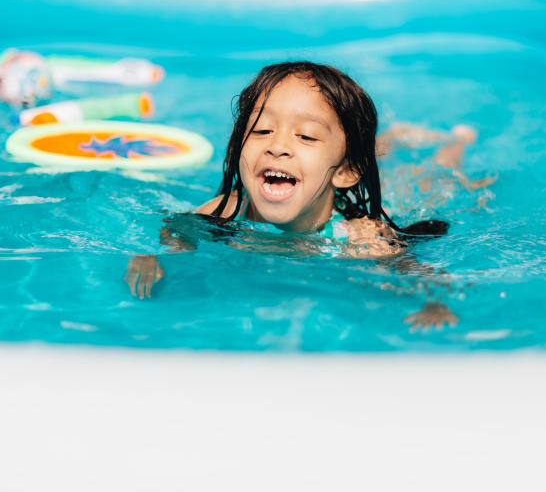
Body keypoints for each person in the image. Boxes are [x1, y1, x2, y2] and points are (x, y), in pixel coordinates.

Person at [125, 60, 461, 331]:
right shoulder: (228, 208)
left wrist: (433, 303)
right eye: (262, 130)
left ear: (344, 171)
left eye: (306, 136)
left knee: (432, 179)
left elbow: (414, 272)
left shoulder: (361, 234)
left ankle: (456, 143)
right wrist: (156, 258)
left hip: (389, 202)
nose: (278, 146)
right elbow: (179, 229)